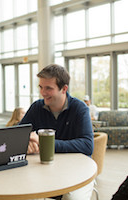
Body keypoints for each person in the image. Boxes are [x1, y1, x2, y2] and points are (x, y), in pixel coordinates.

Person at [19, 64, 94, 200]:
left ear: (64, 89)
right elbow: (17, 136)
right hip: (43, 169)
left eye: (48, 88)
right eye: (41, 87)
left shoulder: (79, 109)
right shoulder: (36, 107)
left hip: (77, 170)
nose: (43, 93)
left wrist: (45, 144)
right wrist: (28, 139)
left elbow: (87, 145)